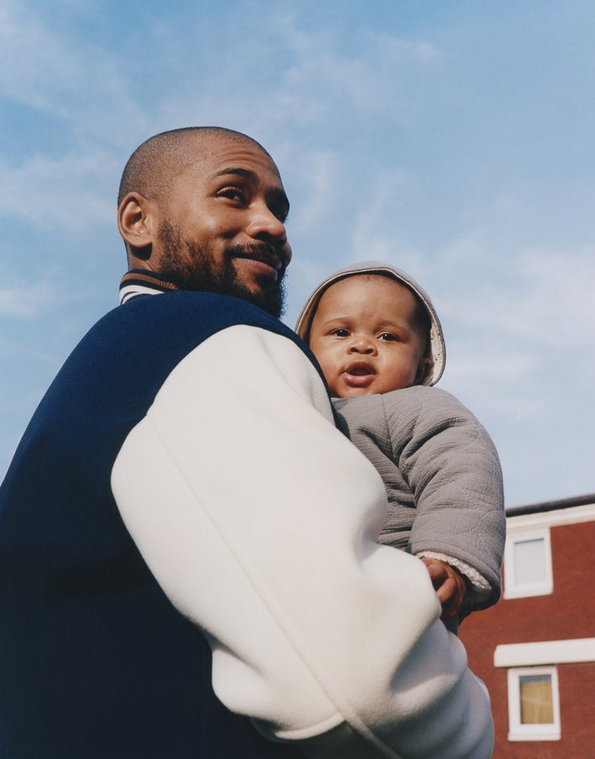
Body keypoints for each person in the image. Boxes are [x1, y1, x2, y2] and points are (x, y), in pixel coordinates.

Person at [0, 128, 494, 759]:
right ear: (137, 219)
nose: (271, 226)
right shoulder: (204, 336)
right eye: (234, 196)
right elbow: (357, 686)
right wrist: (469, 735)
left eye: (280, 210)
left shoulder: (101, 375)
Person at [296, 262, 506, 630]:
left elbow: (462, 473)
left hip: (401, 589)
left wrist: (448, 556)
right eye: (341, 332)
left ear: (422, 365)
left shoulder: (416, 406)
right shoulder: (295, 413)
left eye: (388, 337)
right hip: (309, 597)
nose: (362, 345)